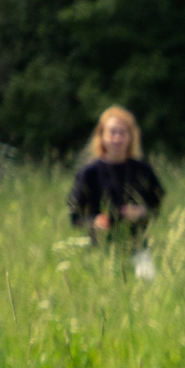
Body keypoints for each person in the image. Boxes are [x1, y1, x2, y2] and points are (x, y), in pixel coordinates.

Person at [68, 106, 164, 278]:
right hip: (101, 250)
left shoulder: (143, 170)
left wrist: (141, 211)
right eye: (112, 132)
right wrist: (95, 222)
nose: (117, 138)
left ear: (130, 137)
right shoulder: (89, 174)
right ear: (102, 136)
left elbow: (157, 204)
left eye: (122, 132)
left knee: (147, 282)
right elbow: (75, 216)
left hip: (137, 247)